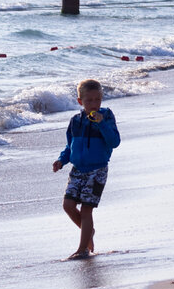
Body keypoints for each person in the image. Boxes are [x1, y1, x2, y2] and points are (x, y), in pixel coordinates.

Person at [52, 79, 122, 259]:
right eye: (89, 101)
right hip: (77, 169)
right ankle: (88, 232)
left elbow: (114, 142)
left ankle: (83, 249)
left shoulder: (106, 116)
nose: (94, 104)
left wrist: (101, 123)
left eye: (97, 100)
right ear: (80, 102)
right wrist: (61, 160)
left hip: (97, 170)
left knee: (86, 210)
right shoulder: (75, 121)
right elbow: (70, 146)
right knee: (68, 205)